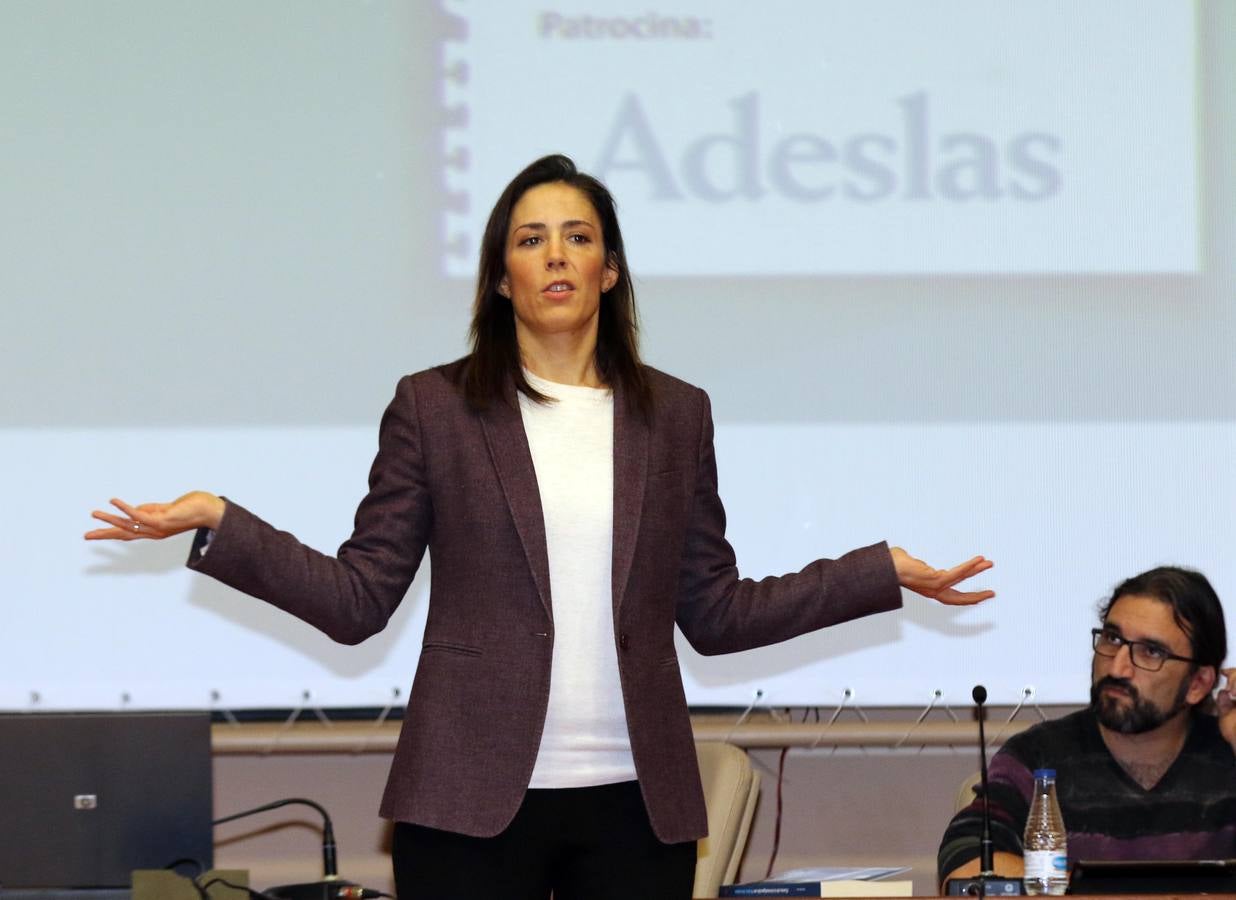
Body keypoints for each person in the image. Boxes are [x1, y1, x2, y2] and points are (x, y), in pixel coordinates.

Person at [87, 154, 994, 900]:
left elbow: (714, 613)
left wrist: (878, 574)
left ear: (609, 270)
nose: (555, 253)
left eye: (578, 236)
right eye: (530, 238)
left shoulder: (676, 416)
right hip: (468, 805)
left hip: (637, 808)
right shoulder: (435, 409)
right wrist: (220, 523)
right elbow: (359, 599)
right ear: (500, 275)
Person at [938, 566, 1236, 888]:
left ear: (1198, 683)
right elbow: (964, 866)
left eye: (1151, 652)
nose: (1118, 667)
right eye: (1112, 638)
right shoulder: (1038, 756)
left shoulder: (1227, 756)